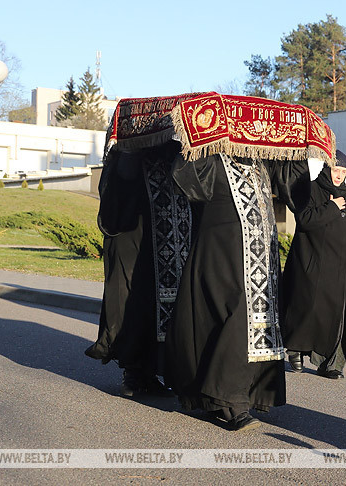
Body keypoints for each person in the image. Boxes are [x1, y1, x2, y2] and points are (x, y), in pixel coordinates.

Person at [165, 153, 306, 431]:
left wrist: (300, 149)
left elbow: (294, 187)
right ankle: (232, 402)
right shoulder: (213, 157)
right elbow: (188, 181)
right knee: (234, 321)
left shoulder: (262, 160)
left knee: (256, 323)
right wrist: (197, 141)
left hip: (260, 258)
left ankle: (244, 394)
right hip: (222, 253)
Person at [86, 141, 190, 398]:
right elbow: (120, 187)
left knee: (157, 310)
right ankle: (133, 374)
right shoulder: (128, 152)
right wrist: (131, 148)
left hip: (162, 247)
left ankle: (151, 373)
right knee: (134, 308)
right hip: (133, 243)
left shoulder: (169, 153)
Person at [281, 150, 346, 379]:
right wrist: (332, 207)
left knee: (341, 316)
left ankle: (332, 364)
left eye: (343, 171)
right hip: (315, 265)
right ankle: (295, 351)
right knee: (309, 311)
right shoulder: (311, 189)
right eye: (336, 170)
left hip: (341, 269)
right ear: (327, 169)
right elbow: (304, 220)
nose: (339, 175)